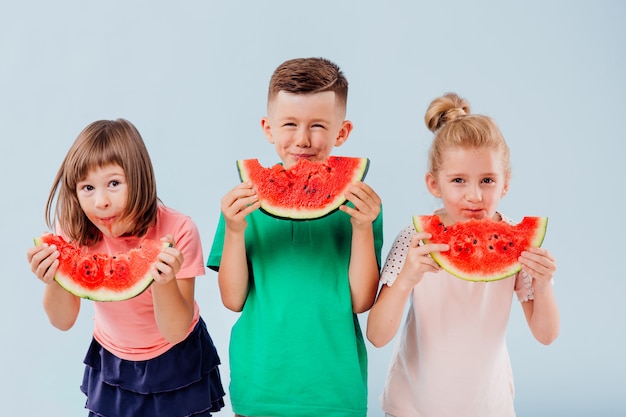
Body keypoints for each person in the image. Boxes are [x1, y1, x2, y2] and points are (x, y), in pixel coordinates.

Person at [207, 57, 384, 417]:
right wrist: (236, 230)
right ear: (268, 128)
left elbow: (361, 301)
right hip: (260, 387)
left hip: (336, 389)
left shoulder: (361, 205)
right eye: (289, 124)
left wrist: (364, 228)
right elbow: (233, 299)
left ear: (342, 132)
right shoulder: (243, 203)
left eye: (318, 125)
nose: (302, 139)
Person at [367, 93, 560, 417]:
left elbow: (546, 335)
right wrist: (405, 281)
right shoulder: (415, 240)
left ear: (505, 185)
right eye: (458, 180)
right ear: (434, 183)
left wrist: (542, 286)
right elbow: (377, 336)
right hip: (412, 406)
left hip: (489, 406)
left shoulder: (519, 247)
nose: (474, 195)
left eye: (487, 180)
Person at [26, 119, 225, 417]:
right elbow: (62, 321)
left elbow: (174, 330)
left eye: (114, 184)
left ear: (140, 178)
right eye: (88, 188)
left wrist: (164, 280)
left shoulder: (178, 230)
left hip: (177, 358)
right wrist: (53, 279)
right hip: (112, 360)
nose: (101, 202)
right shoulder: (72, 230)